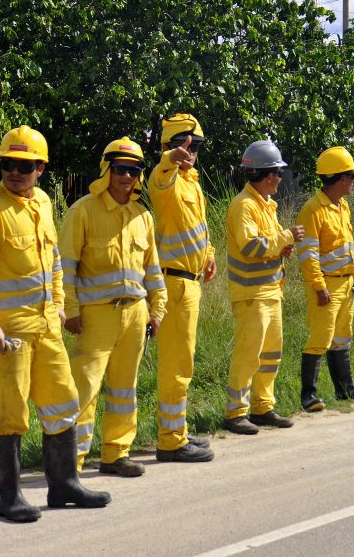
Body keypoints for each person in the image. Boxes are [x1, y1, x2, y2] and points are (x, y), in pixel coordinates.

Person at [0, 125, 110, 523]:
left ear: (41, 168)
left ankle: (64, 485)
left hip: (48, 329)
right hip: (10, 337)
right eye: (8, 163)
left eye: (24, 165)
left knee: (63, 403)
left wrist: (59, 304)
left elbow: (55, 263)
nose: (14, 172)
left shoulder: (42, 201)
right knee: (12, 413)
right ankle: (9, 498)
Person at [59, 138, 167, 477]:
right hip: (94, 317)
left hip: (135, 314)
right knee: (85, 388)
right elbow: (65, 267)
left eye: (133, 171)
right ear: (107, 170)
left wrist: (157, 309)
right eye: (120, 169)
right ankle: (70, 463)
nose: (126, 176)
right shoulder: (84, 211)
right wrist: (71, 309)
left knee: (124, 388)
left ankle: (115, 454)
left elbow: (152, 267)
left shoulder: (142, 217)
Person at [146, 114, 216, 463]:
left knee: (184, 363)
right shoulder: (168, 178)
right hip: (174, 284)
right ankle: (170, 441)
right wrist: (167, 161)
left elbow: (196, 226)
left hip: (190, 282)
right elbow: (157, 183)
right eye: (187, 145)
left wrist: (210, 254)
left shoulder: (191, 181)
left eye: (197, 145)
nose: (192, 152)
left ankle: (178, 432)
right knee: (176, 365)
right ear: (171, 147)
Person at [222, 140, 304, 434]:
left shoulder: (265, 205)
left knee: (270, 355)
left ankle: (262, 407)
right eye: (278, 173)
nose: (280, 179)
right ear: (266, 174)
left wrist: (281, 248)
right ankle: (235, 413)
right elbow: (250, 246)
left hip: (270, 292)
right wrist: (285, 237)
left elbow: (265, 246)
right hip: (251, 294)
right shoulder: (243, 206)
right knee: (249, 354)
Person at [295, 147, 354, 412]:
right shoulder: (313, 209)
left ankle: (345, 389)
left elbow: (348, 245)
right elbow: (308, 254)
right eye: (352, 176)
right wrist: (318, 286)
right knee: (320, 337)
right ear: (340, 178)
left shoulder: (343, 206)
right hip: (326, 285)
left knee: (342, 336)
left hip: (346, 283)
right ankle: (309, 396)